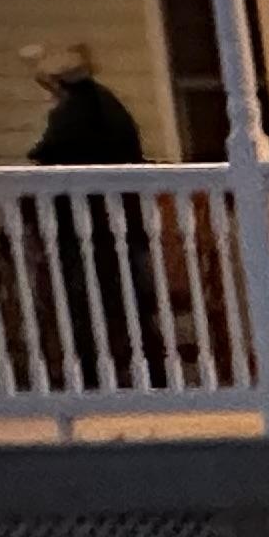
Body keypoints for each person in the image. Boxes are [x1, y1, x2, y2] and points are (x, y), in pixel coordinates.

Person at [21, 47, 166, 385]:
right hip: (123, 225)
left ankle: (92, 377)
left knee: (87, 307)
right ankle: (154, 373)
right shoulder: (106, 105)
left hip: (90, 229)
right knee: (135, 306)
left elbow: (50, 154)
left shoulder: (78, 112)